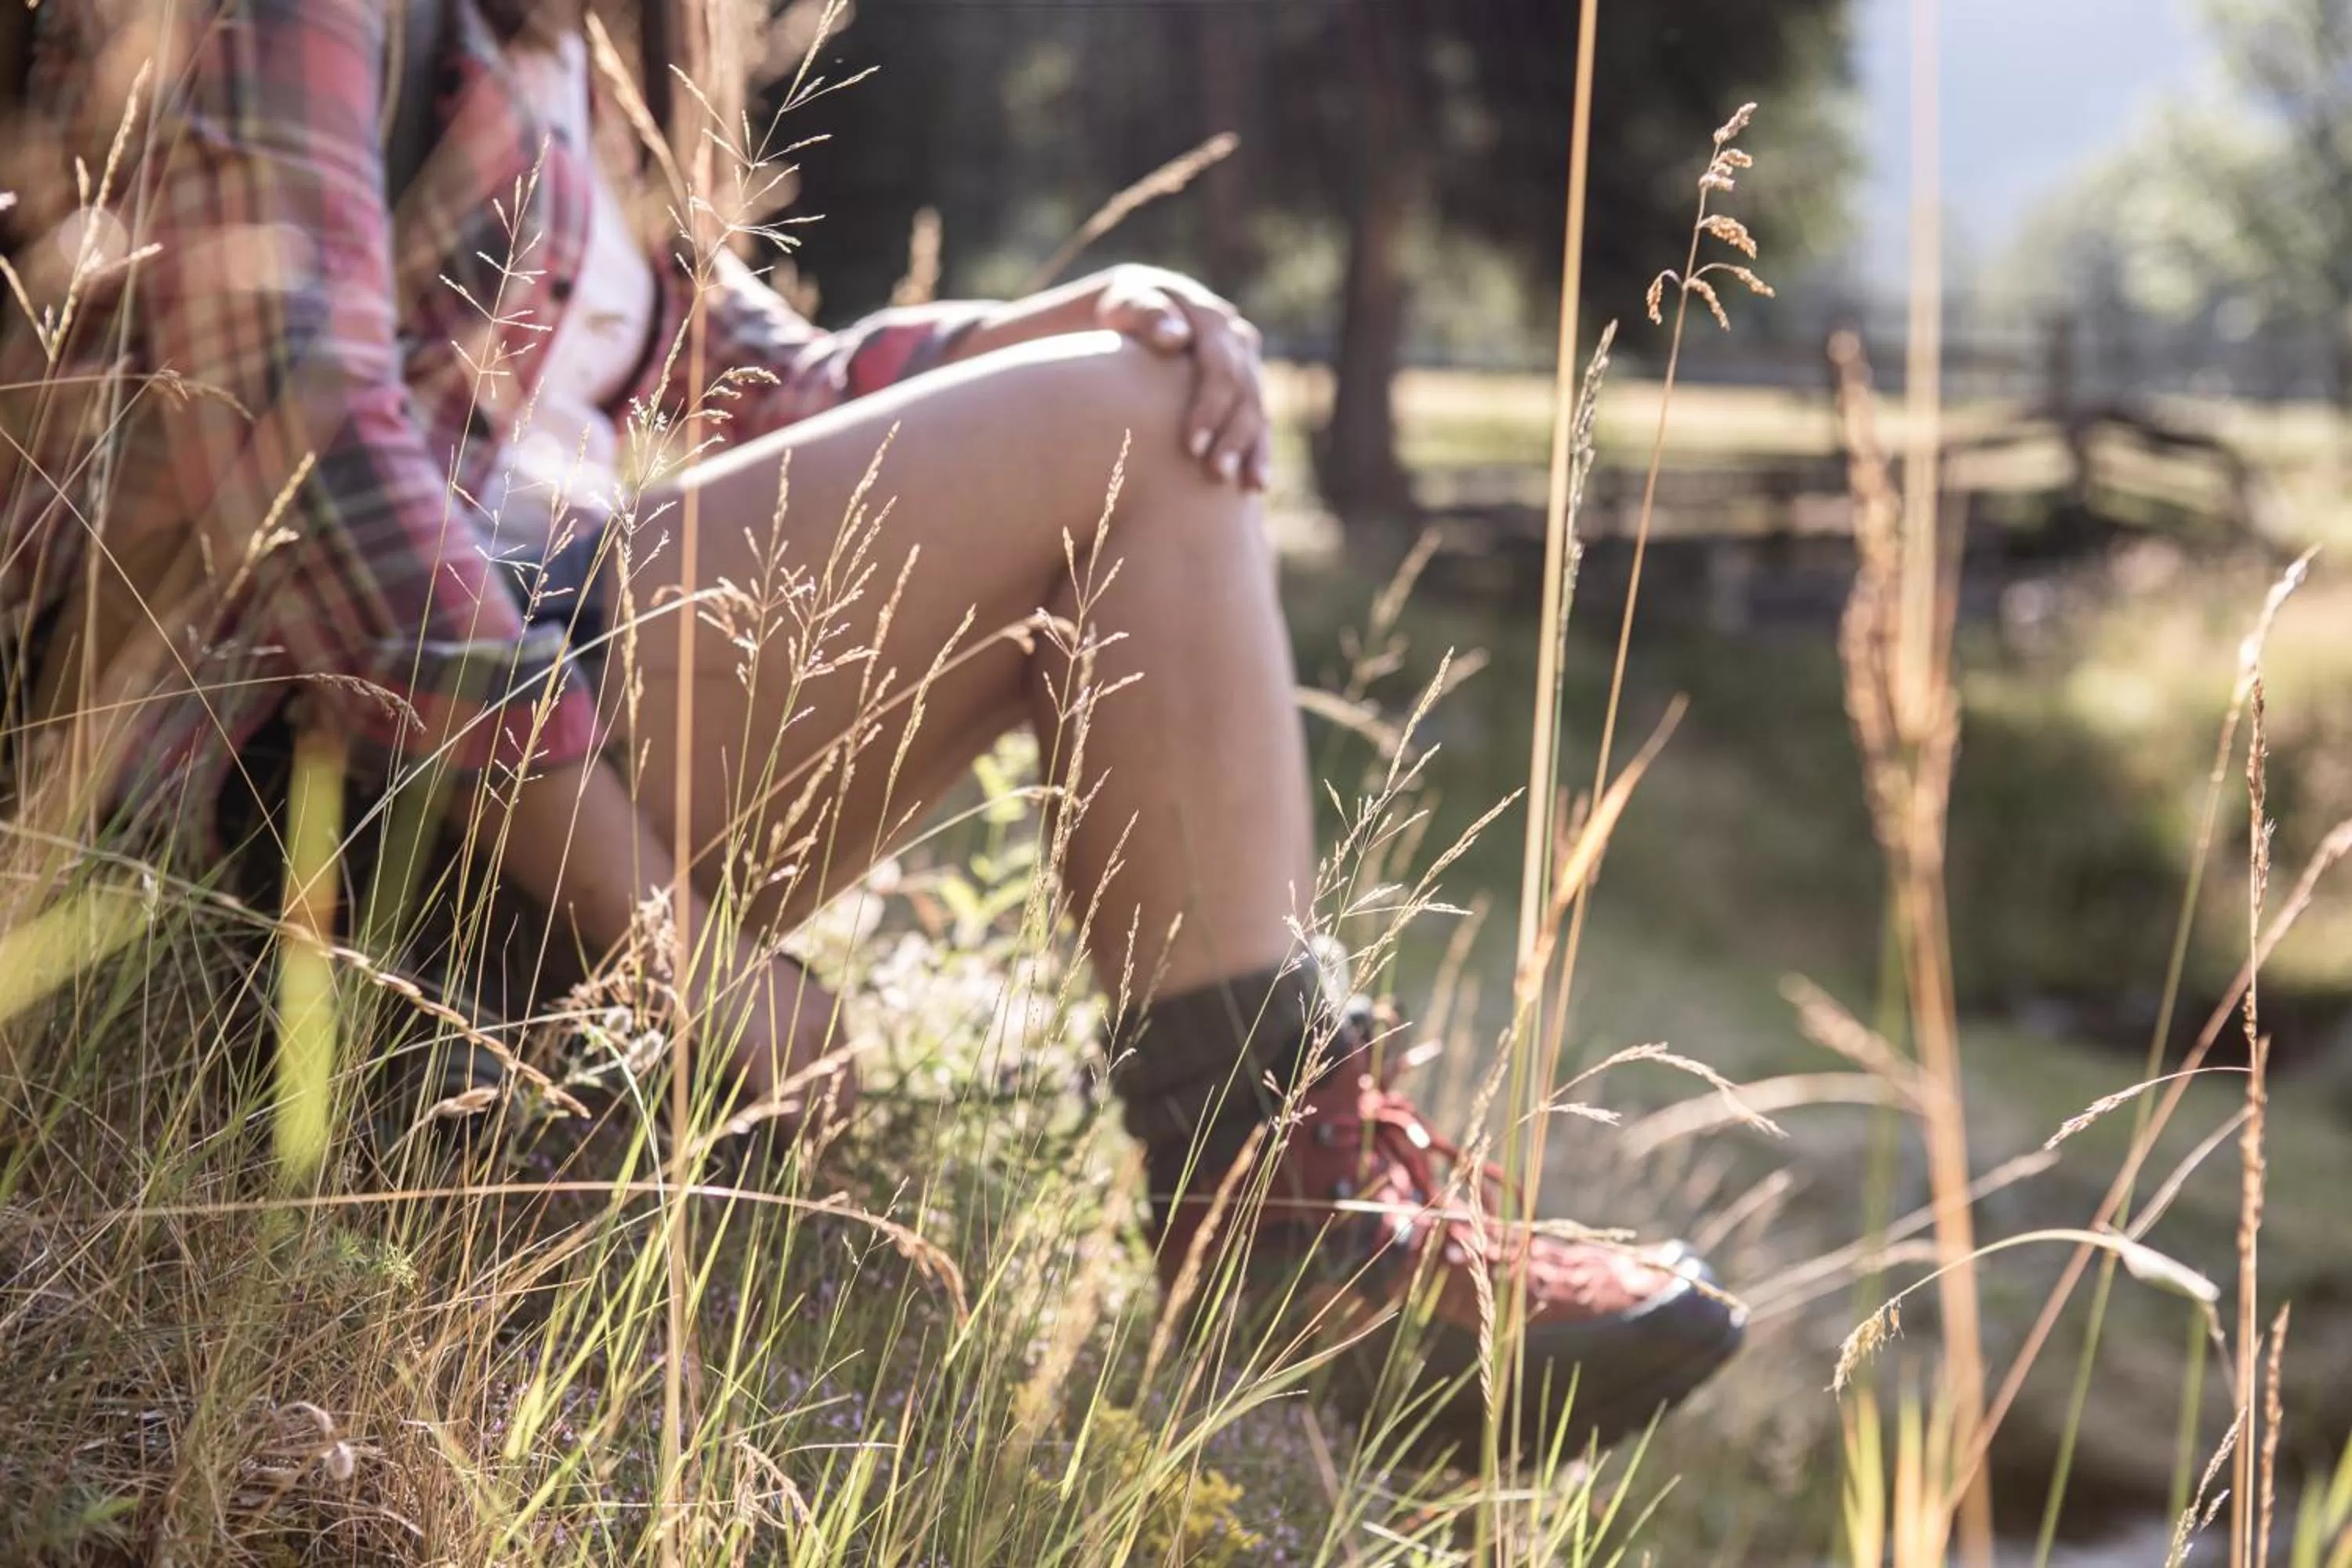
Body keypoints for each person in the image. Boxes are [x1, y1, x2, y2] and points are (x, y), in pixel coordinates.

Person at [0, 0, 1741, 1454]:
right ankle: (1289, 1228)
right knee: (1129, 430)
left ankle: (1292, 1201)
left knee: (1150, 406)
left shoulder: (550, 50)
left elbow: (770, 383)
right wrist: (671, 940)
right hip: (278, 840)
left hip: (481, 786)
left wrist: (1061, 325)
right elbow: (307, 450)